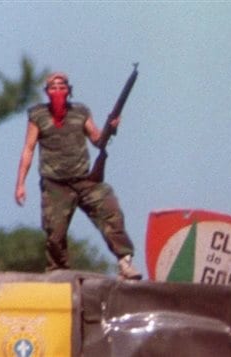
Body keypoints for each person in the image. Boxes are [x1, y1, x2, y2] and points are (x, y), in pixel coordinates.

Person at [15, 71, 141, 280]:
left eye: (62, 87)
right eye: (53, 88)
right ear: (47, 92)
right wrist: (20, 184)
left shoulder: (80, 112)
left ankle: (125, 261)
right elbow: (28, 149)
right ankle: (59, 273)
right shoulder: (38, 115)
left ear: (69, 90)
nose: (58, 91)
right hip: (55, 185)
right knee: (55, 234)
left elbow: (98, 140)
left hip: (84, 180)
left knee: (110, 211)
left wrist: (111, 129)